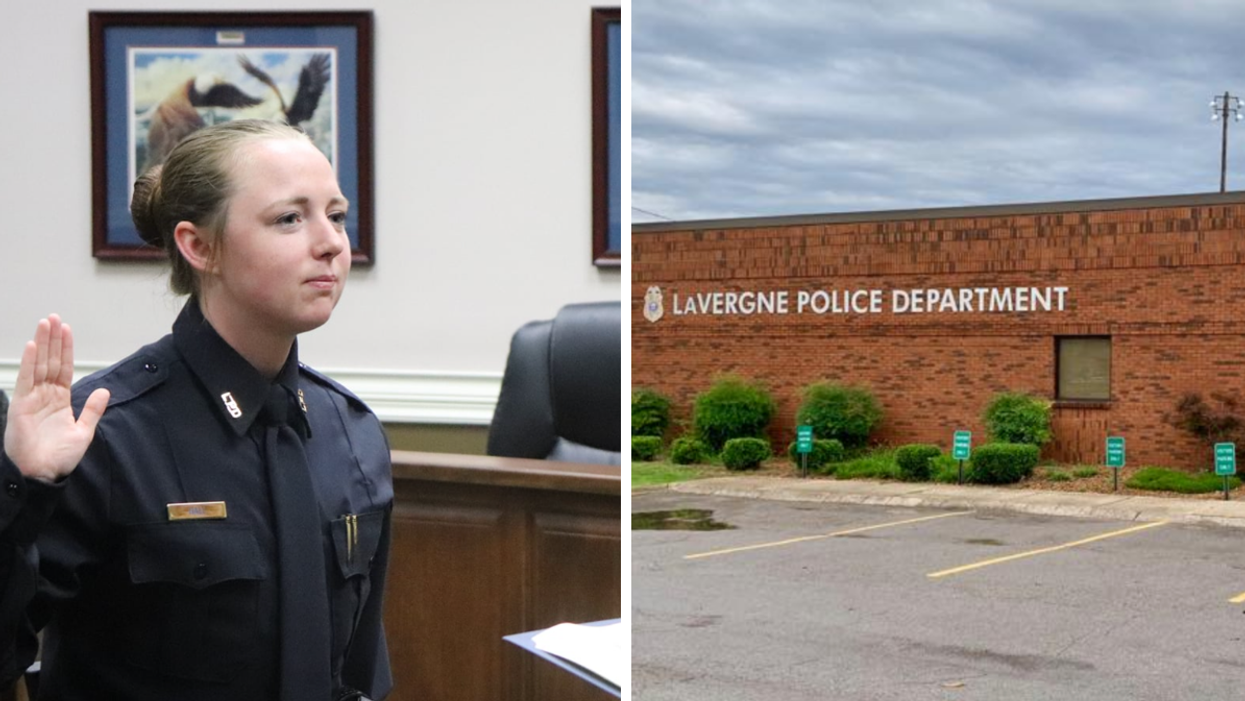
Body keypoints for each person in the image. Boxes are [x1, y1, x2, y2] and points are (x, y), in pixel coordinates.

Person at [0, 119, 393, 701]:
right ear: (199, 246)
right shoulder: (102, 435)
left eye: (335, 214)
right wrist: (23, 489)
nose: (332, 242)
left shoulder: (350, 431)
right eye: (289, 218)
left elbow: (360, 669)